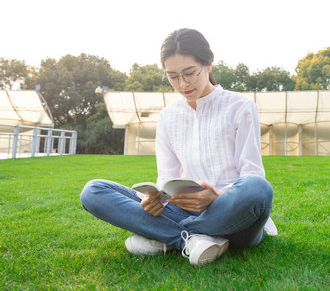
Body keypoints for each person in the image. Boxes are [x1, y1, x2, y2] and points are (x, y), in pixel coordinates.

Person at [80, 28, 275, 265]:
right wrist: (154, 199)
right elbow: (166, 178)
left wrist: (216, 196)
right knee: (94, 191)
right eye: (172, 76)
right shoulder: (168, 117)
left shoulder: (240, 107)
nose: (183, 84)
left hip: (231, 211)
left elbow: (252, 173)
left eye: (190, 73)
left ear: (209, 65)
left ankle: (164, 236)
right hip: (182, 208)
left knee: (257, 188)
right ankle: (190, 239)